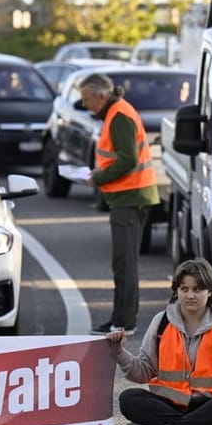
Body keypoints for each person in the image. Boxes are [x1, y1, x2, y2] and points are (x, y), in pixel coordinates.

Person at [105, 258, 212, 425]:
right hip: (171, 405)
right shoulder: (162, 321)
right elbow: (143, 371)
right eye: (184, 289)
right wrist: (119, 352)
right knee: (128, 399)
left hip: (211, 405)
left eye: (197, 289)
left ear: (210, 292)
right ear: (176, 291)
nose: (190, 295)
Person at [81, 73, 159, 336]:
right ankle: (122, 319)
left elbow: (127, 160)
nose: (85, 105)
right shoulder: (115, 112)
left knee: (124, 264)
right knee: (124, 263)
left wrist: (98, 177)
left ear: (102, 96)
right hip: (128, 197)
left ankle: (124, 322)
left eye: (87, 99)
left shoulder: (118, 115)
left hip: (130, 197)